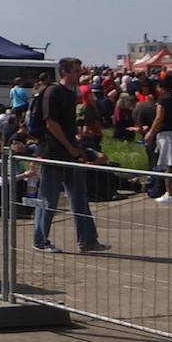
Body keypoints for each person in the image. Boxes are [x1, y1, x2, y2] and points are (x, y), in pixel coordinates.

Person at [31, 57, 110, 254]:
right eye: (76, 71)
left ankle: (88, 240)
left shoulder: (70, 92)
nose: (79, 74)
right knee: (48, 198)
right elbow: (51, 123)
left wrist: (77, 147)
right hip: (54, 152)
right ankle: (40, 240)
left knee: (79, 197)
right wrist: (70, 146)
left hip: (69, 152)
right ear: (64, 72)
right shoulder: (54, 91)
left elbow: (66, 126)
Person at [146, 76, 172, 203]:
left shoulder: (162, 101)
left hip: (166, 134)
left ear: (162, 88)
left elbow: (159, 118)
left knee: (168, 165)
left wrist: (150, 133)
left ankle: (169, 193)